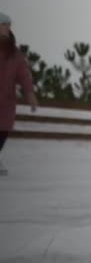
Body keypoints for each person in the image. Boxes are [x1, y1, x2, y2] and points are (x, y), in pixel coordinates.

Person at [0, 12, 38, 175]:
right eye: (3, 24)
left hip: (6, 100)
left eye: (8, 25)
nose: (8, 28)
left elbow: (23, 74)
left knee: (4, 129)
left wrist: (29, 93)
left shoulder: (14, 53)